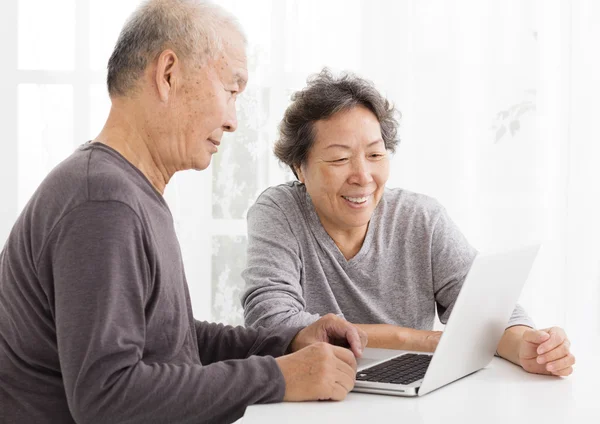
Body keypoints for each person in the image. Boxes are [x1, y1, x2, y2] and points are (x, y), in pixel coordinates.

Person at [0, 2, 368, 423]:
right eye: (231, 90)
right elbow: (105, 398)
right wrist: (278, 376)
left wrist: (287, 344)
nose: (232, 121)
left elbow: (173, 340)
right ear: (169, 74)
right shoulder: (103, 203)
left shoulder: (124, 190)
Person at [241, 69, 575, 377]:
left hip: (411, 394)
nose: (363, 177)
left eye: (375, 155)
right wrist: (421, 340)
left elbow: (488, 312)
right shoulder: (280, 211)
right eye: (340, 159)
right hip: (314, 396)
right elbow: (272, 322)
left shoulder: (420, 219)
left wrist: (529, 346)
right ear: (299, 168)